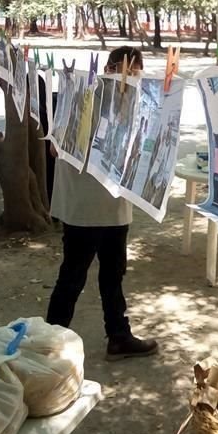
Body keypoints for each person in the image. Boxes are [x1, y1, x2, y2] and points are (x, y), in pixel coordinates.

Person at [45, 46, 158, 361]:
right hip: (84, 208)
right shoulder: (81, 96)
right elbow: (55, 150)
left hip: (114, 208)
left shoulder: (137, 104)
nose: (131, 78)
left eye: (136, 74)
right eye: (129, 71)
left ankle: (118, 336)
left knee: (113, 272)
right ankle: (49, 341)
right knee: (73, 274)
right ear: (109, 68)